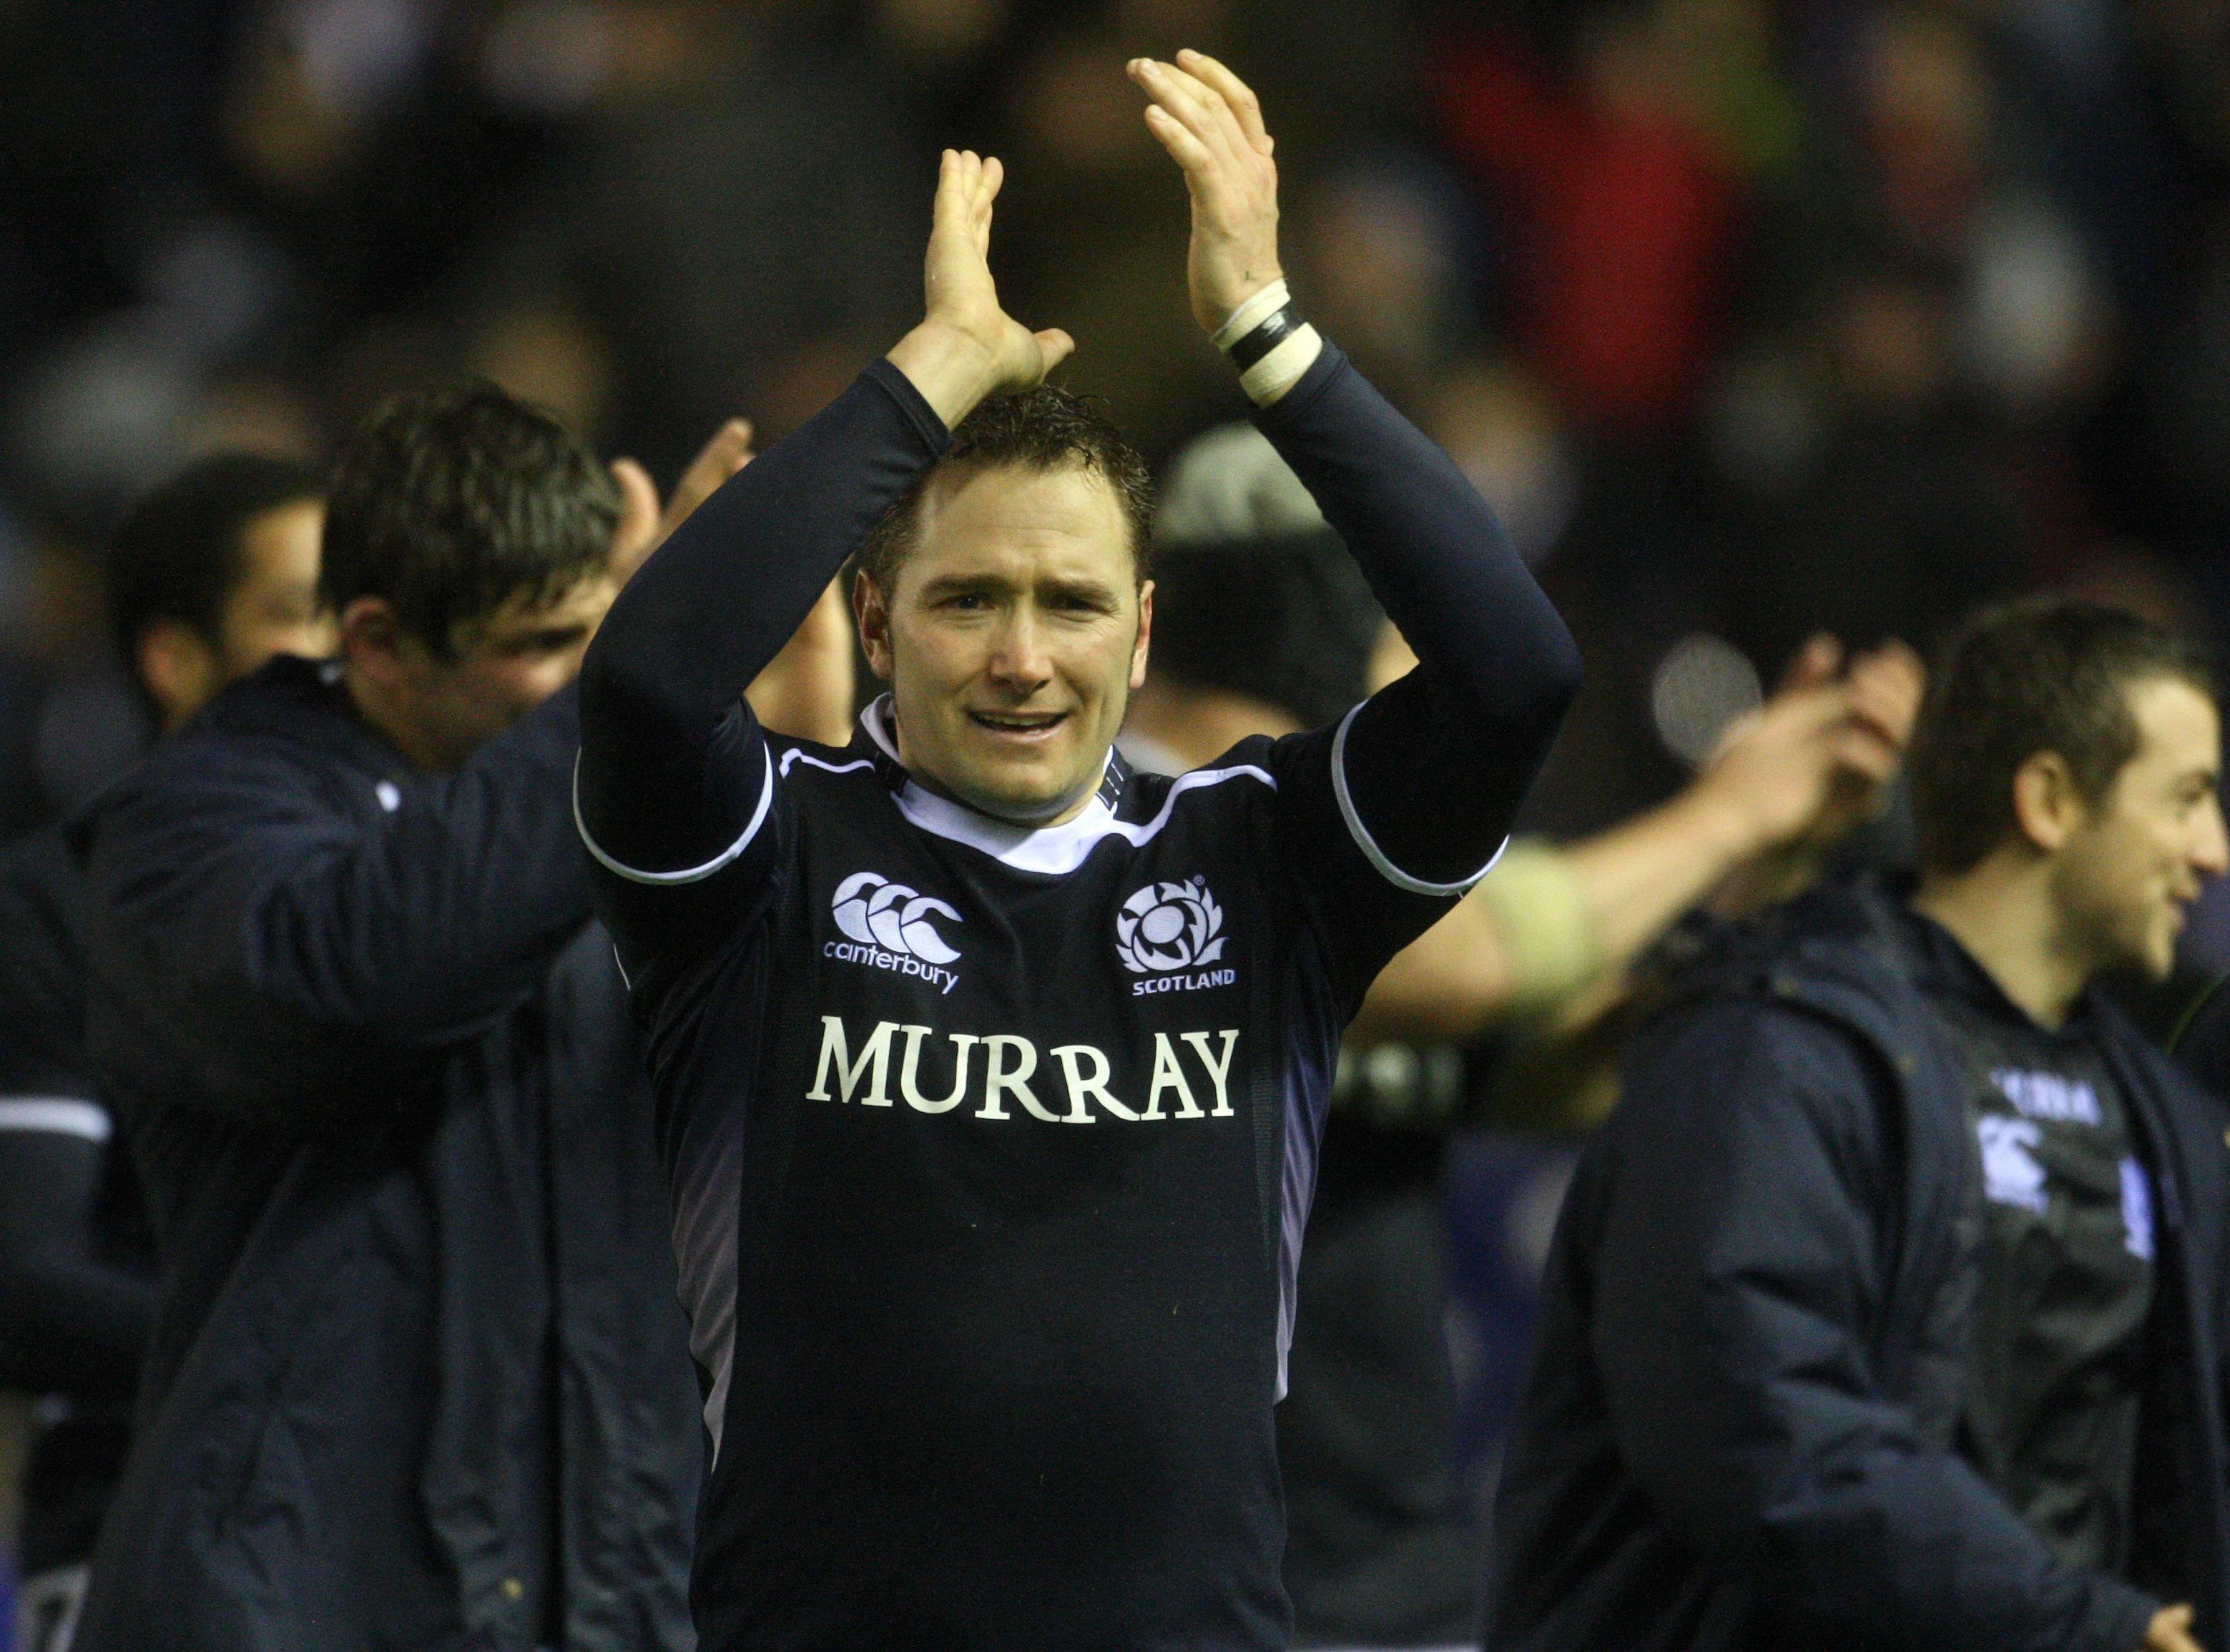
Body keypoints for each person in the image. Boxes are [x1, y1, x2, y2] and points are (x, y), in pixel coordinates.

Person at [573, 51, 1580, 1651]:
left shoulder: (1262, 856)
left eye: (1072, 603)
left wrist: (1268, 331)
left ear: (1144, 627)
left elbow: (1518, 671)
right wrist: (932, 372)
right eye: (968, 599)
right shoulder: (771, 849)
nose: (1022, 657)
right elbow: (638, 682)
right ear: (876, 623)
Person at [1126, 423, 1924, 1650]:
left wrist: (1773, 863)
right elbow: (1474, 965)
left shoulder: (1328, 839)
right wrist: (1720, 818)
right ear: (1314, 607)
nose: (1434, 657)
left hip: (1375, 1565)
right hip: (1165, 1578)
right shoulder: (1130, 823)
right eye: (1410, 607)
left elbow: (1570, 1064)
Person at [67, 395, 765, 1651]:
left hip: (606, 1591)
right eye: (541, 645)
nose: (579, 684)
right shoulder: (190, 823)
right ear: (380, 644)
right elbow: (371, 969)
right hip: (295, 1604)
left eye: (593, 638)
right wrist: (645, 668)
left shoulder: (617, 833)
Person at [1485, 597, 2230, 1652]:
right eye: (2187, 798)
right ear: (2050, 799)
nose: (2212, 852)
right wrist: (2073, 1625)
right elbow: (1755, 1431)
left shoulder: (2161, 1115)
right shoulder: (1771, 1058)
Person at [1, 455, 330, 1652]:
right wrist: (347, 1345)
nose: (346, 645)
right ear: (175, 658)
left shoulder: (432, 895)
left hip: (398, 1541)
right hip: (135, 1533)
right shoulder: (54, 908)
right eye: (298, 611)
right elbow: (23, 1283)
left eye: (360, 605)